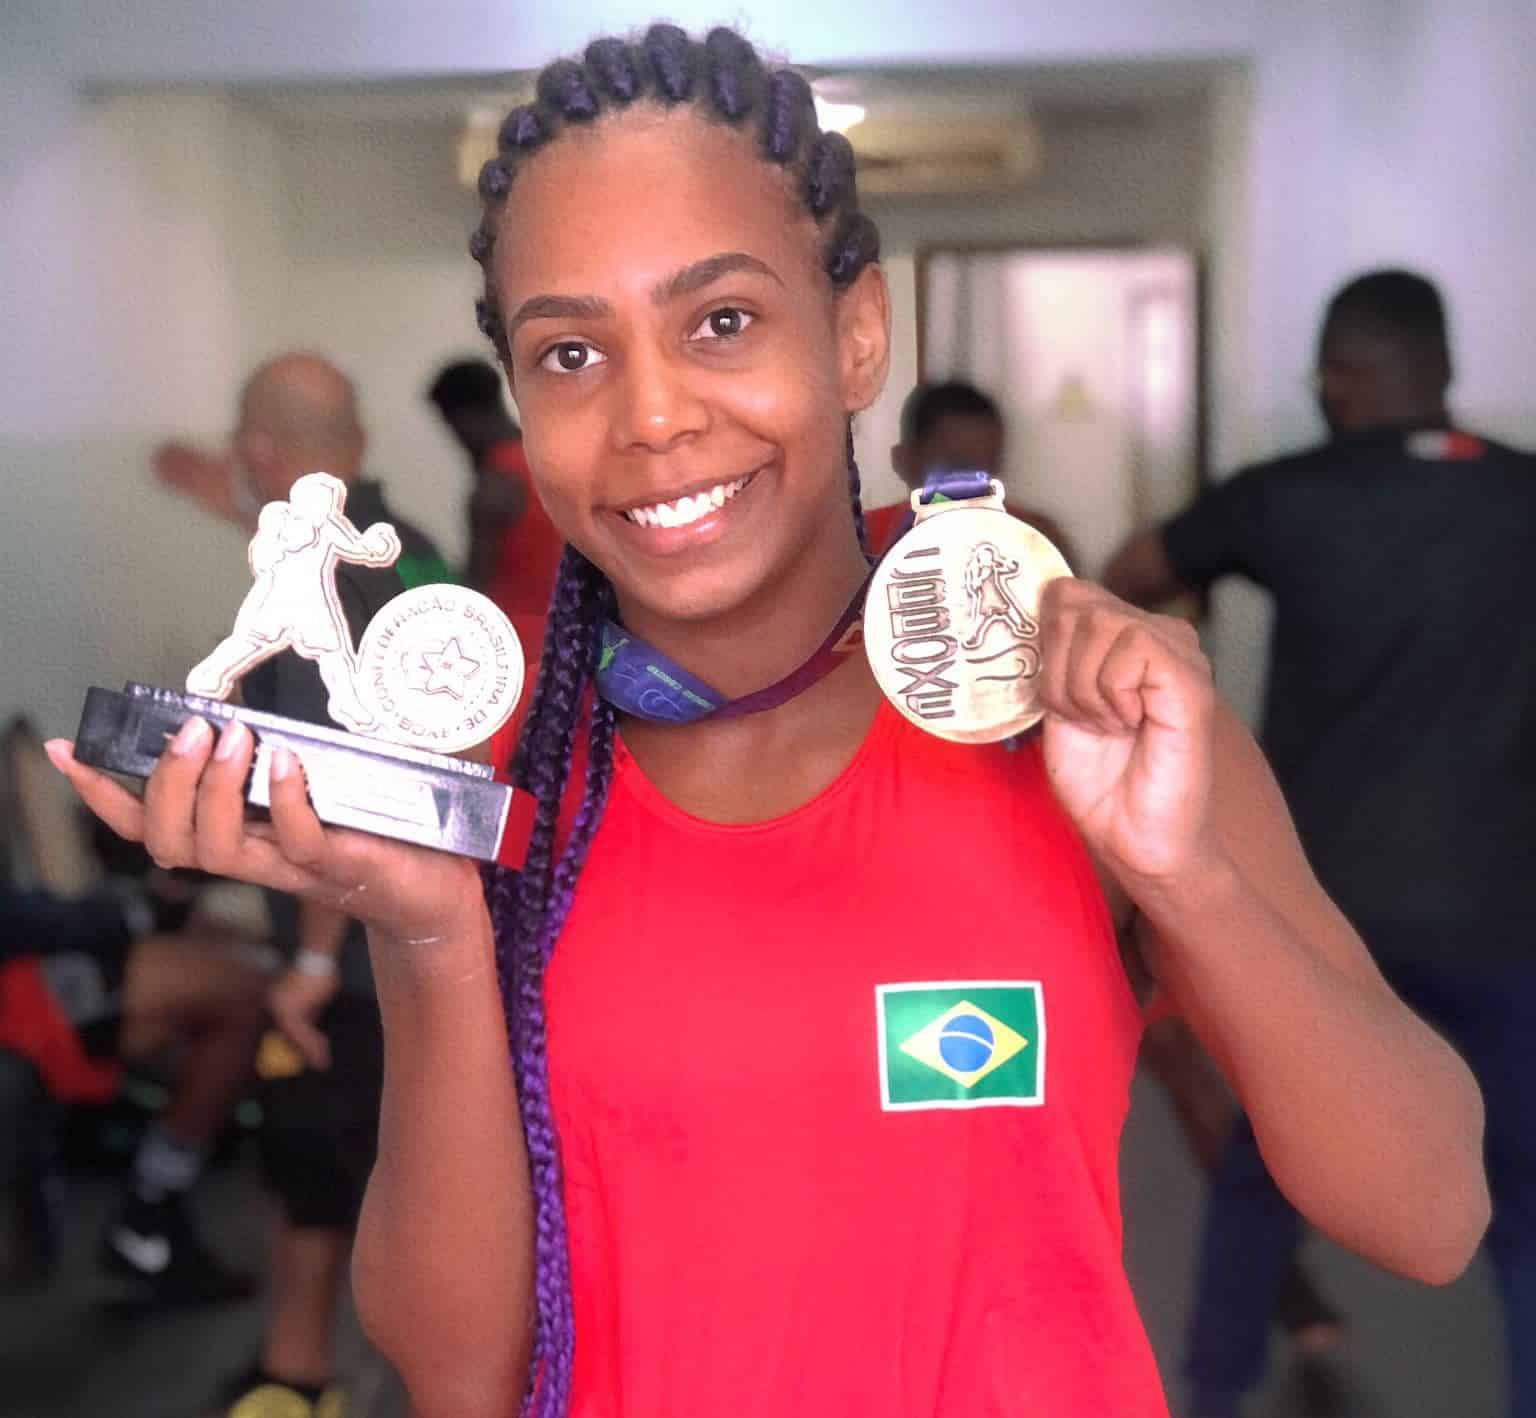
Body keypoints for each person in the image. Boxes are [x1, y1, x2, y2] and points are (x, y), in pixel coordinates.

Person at [52, 34, 1488, 1418]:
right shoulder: (488, 764)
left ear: (856, 334)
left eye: (722, 321)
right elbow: (460, 1375)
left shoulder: (1071, 705)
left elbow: (1429, 1211)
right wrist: (429, 936)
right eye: (571, 352)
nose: (652, 414)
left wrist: (1187, 878)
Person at [1105, 269, 1536, 1418]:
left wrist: (1171, 647)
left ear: (1336, 381)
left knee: (1263, 1168)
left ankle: (1213, 1391)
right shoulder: (1524, 493)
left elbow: (1133, 573)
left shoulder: (1287, 497)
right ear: (1443, 368)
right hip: (1504, 910)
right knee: (1526, 1200)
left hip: (1331, 913)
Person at [157, 352, 449, 1417]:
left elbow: (327, 785)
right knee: (381, 1162)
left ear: (257, 447)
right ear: (359, 442)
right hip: (428, 931)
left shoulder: (317, 580)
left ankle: (297, 1382)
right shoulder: (413, 550)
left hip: (350, 949)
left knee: (313, 1166)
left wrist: (313, 965)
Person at [0, 882, 267, 1302]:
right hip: (23, 979)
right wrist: (125, 913)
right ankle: (151, 1206)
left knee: (225, 957)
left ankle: (152, 1204)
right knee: (243, 993)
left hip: (41, 945)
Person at [865, 379, 1076, 563]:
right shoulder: (866, 538)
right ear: (904, 461)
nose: (970, 486)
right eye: (955, 469)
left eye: (985, 468)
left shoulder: (1036, 541)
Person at [426, 357, 564, 619]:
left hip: (514, 635)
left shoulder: (495, 485)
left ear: (463, 418)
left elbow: (474, 592)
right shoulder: (551, 459)